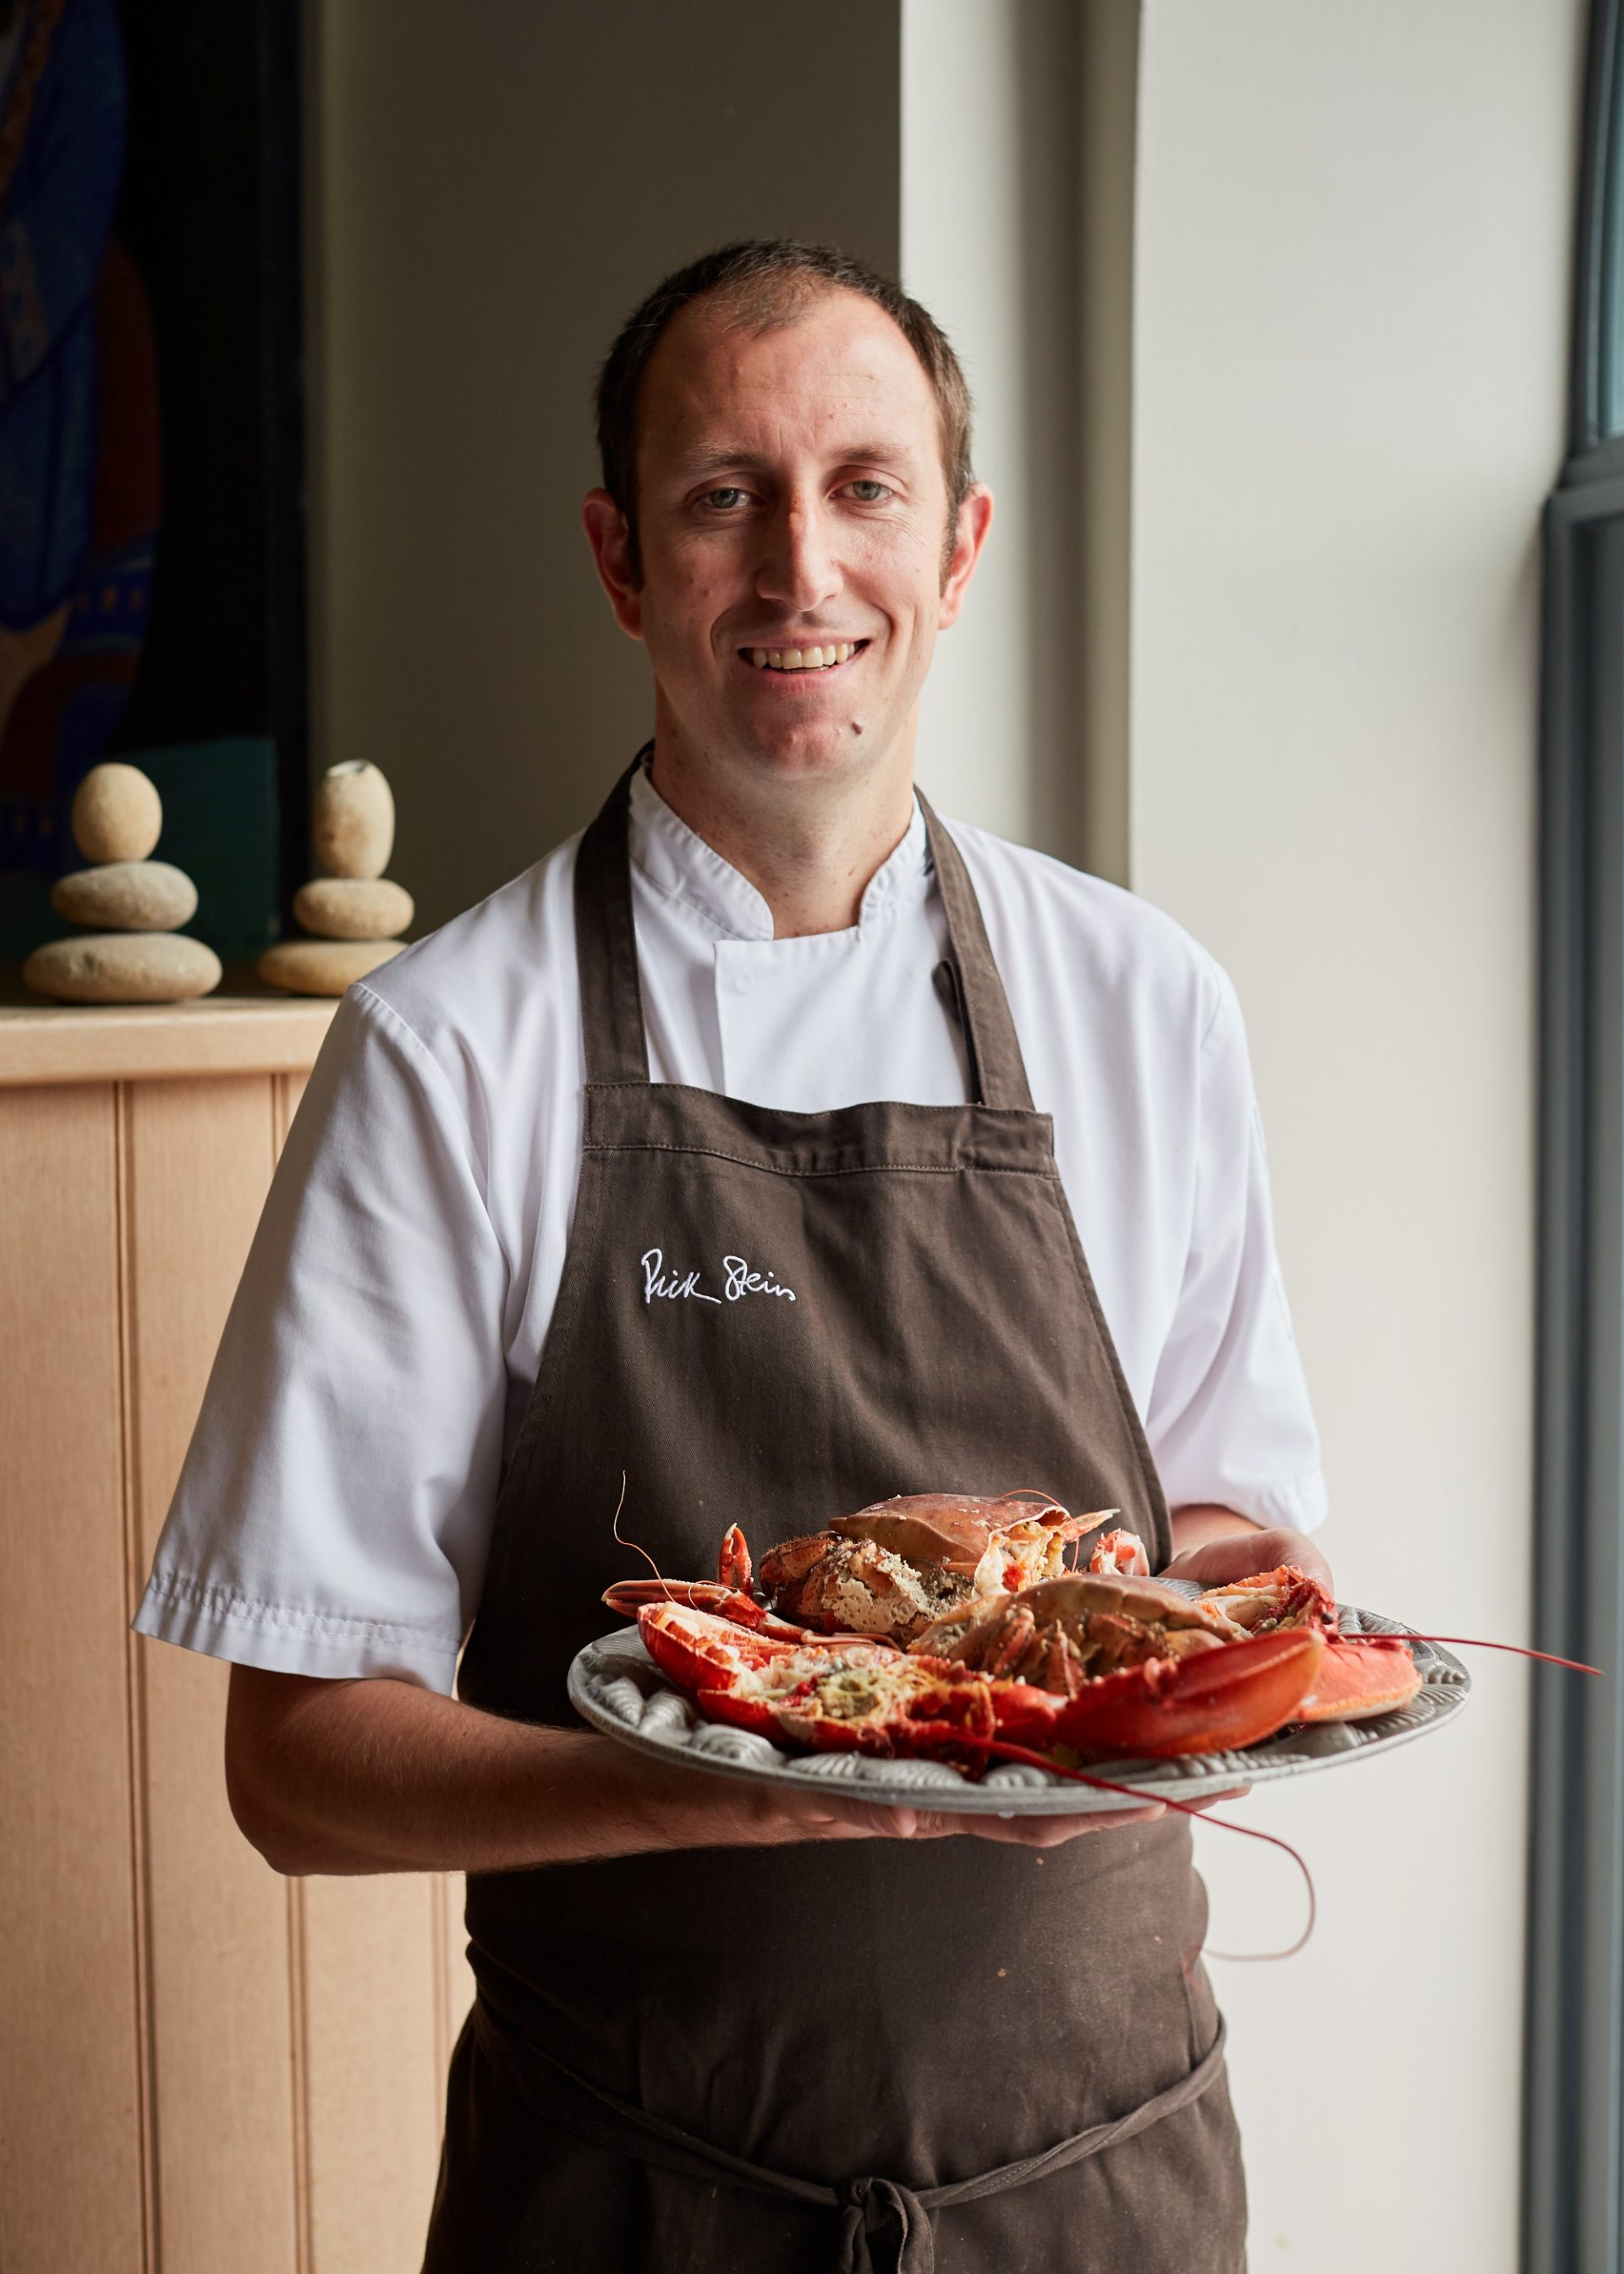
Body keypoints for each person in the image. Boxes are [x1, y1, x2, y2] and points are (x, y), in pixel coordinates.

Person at [135, 239, 1330, 2272]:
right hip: (637, 2196)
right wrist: (714, 1784)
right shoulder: (446, 1051)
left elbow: (1229, 1538)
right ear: (621, 559)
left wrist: (1224, 1634)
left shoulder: (1150, 1003)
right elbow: (302, 1769)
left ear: (955, 551)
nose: (800, 568)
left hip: (1106, 2186)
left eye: (863, 487)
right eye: (724, 495)